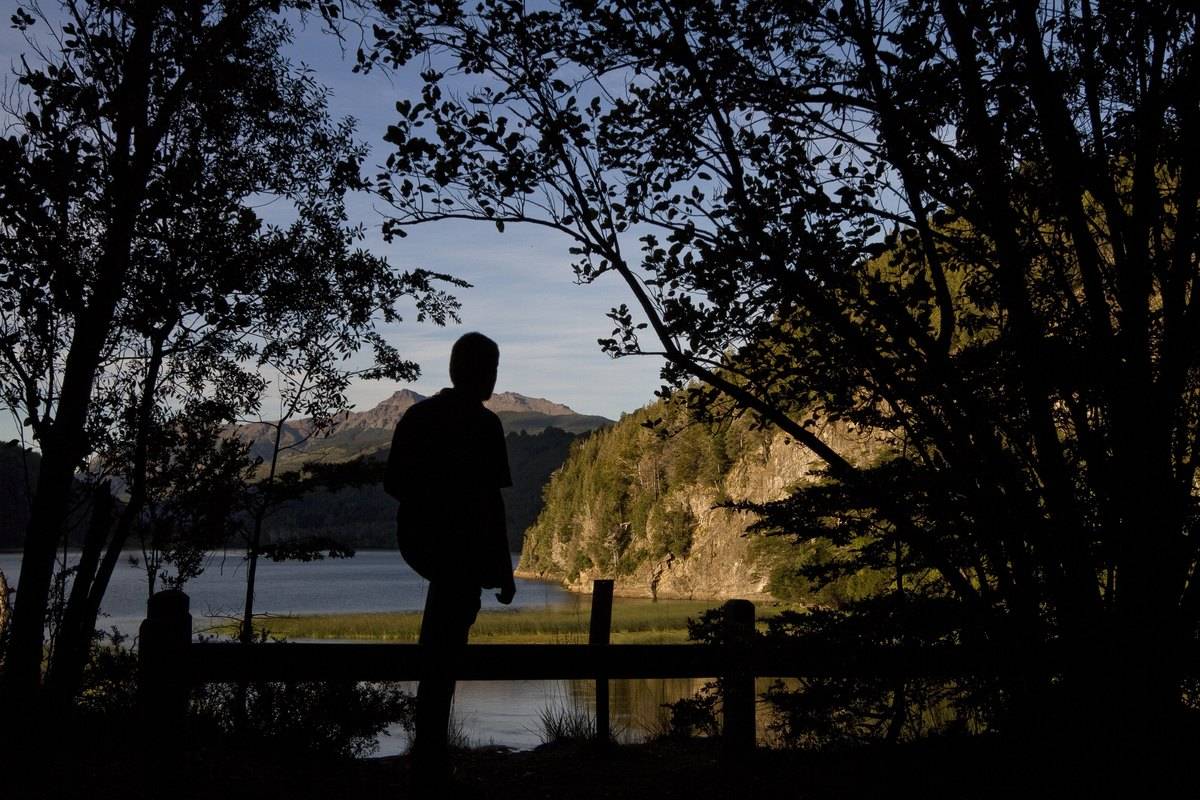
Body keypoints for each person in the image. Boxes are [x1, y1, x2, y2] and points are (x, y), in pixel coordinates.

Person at [384, 332, 516, 786]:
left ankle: (429, 748)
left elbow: (394, 484)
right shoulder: (484, 425)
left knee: (445, 630)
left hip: (423, 541)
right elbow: (492, 504)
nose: (492, 378)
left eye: (494, 369)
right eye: (489, 369)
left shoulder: (419, 417)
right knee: (448, 632)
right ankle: (430, 753)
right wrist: (502, 570)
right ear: (469, 371)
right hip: (454, 546)